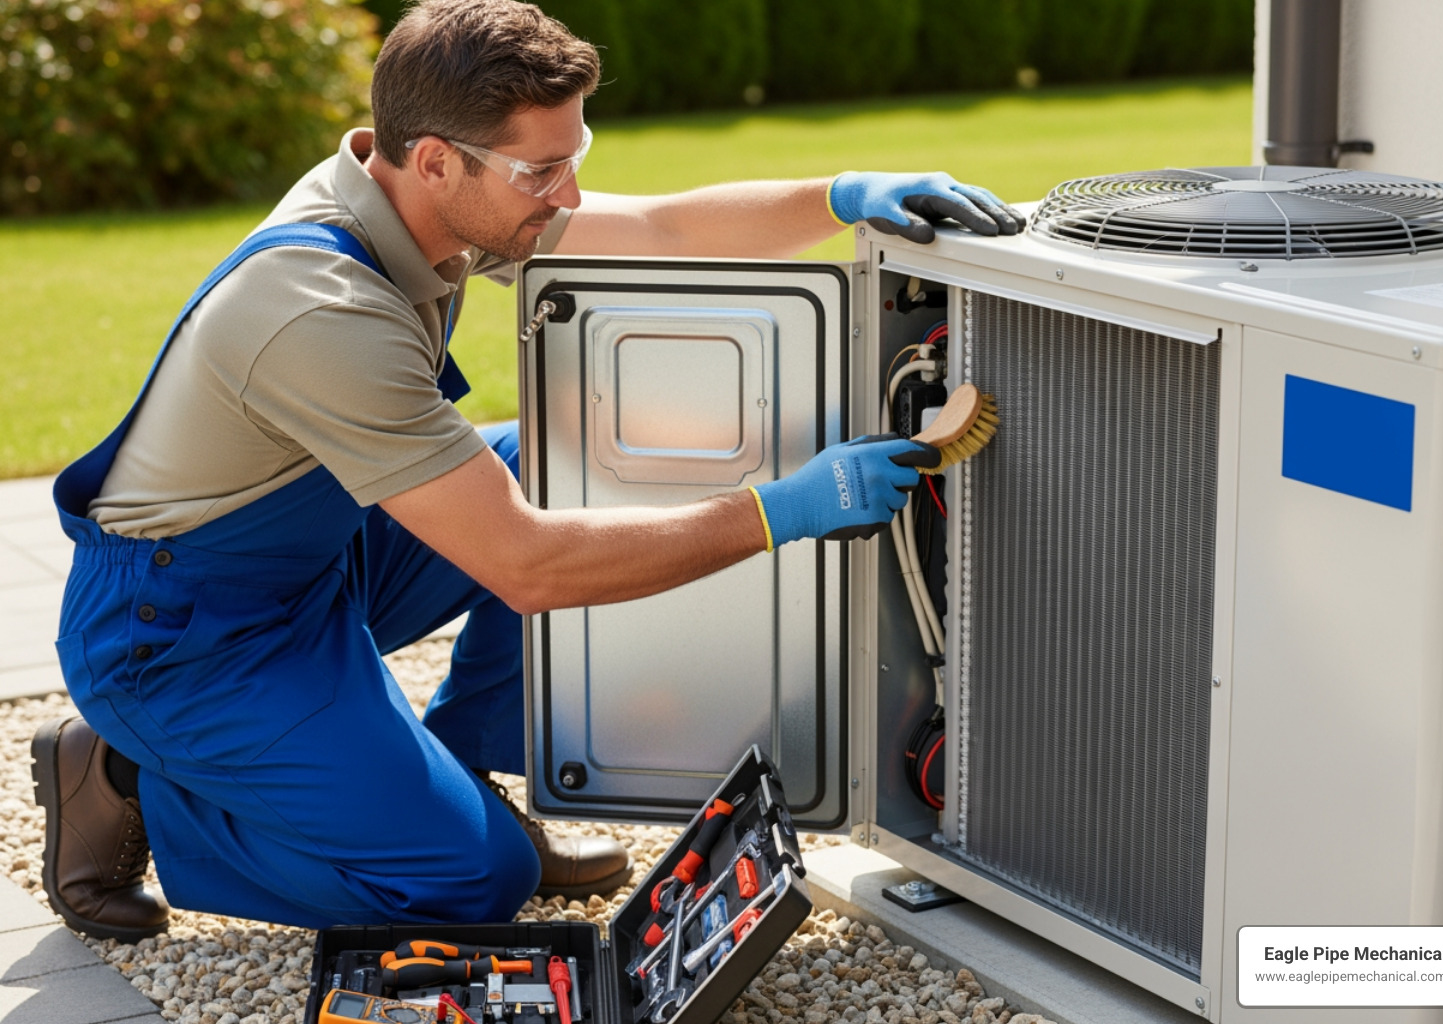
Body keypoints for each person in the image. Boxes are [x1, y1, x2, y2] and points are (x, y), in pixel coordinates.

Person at [31, 0, 1024, 941]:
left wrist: (846, 194)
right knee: (471, 879)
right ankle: (129, 775)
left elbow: (664, 231)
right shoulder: (321, 310)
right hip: (186, 630)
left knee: (557, 458)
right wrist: (786, 510)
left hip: (315, 553)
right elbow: (529, 566)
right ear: (435, 160)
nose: (570, 196)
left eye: (574, 159)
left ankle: (462, 769)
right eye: (544, 171)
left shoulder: (415, 197)